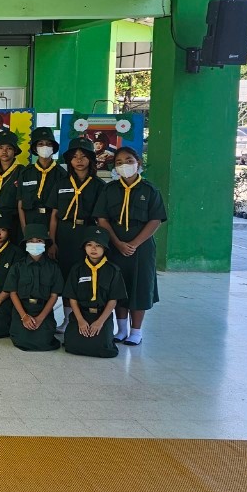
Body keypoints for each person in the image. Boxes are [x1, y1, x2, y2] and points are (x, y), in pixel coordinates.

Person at [93, 146, 166, 346]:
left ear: (138, 163)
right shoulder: (109, 189)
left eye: (128, 161)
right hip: (114, 243)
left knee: (139, 286)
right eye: (119, 162)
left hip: (141, 247)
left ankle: (136, 331)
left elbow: (155, 220)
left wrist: (133, 244)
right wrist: (117, 243)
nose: (124, 165)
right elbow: (102, 218)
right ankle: (122, 329)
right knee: (118, 286)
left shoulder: (150, 190)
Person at [53, 136, 104, 334]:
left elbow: (101, 219)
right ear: (69, 160)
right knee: (67, 277)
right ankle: (67, 319)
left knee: (85, 277)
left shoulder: (99, 185)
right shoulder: (61, 183)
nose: (79, 160)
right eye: (74, 156)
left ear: (91, 159)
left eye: (83, 156)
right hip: (64, 234)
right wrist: (52, 241)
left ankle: (85, 318)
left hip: (87, 235)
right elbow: (54, 215)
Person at [63, 227, 127, 359]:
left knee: (103, 348)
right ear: (84, 247)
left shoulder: (113, 270)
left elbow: (113, 300)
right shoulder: (77, 269)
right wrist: (80, 321)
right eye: (89, 245)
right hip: (81, 314)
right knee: (72, 346)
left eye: (98, 245)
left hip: (101, 316)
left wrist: (99, 322)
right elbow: (72, 297)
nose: (93, 249)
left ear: (105, 249)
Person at [4, 223, 64, 352]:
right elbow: (13, 293)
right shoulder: (17, 266)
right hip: (22, 309)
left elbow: (54, 295)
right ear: (26, 244)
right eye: (31, 241)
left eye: (39, 241)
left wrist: (41, 318)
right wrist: (24, 316)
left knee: (44, 341)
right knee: (21, 340)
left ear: (45, 244)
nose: (35, 244)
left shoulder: (53, 267)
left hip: (43, 310)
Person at [18, 126, 64, 240]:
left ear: (53, 148)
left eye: (49, 144)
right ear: (35, 148)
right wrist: (24, 229)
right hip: (30, 220)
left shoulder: (62, 174)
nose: (45, 147)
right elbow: (20, 203)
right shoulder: (26, 172)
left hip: (51, 221)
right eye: (40, 144)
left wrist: (52, 236)